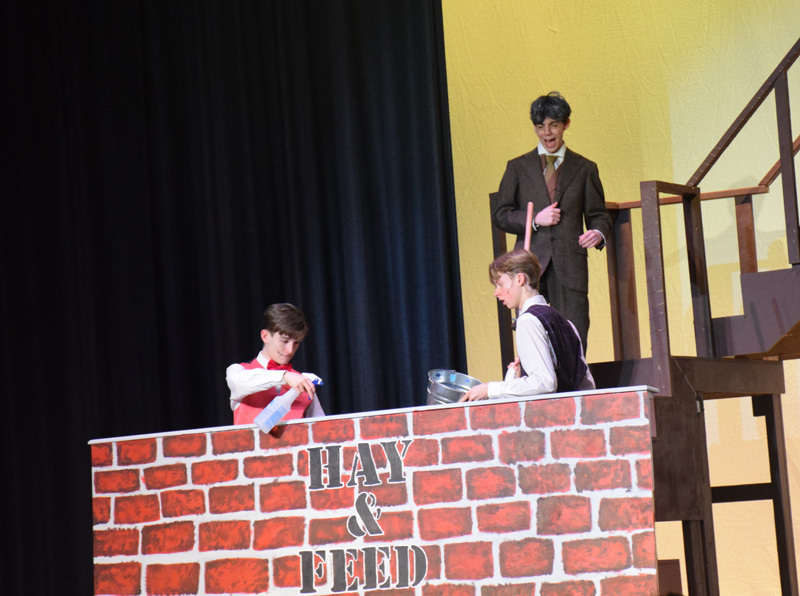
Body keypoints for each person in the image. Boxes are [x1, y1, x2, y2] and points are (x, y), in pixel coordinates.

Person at [491, 91, 611, 350]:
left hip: (570, 267)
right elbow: (501, 214)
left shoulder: (584, 168)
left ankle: (574, 388)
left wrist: (598, 233)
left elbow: (599, 215)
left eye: (553, 125)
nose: (547, 133)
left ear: (565, 124)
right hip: (529, 267)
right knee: (534, 339)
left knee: (573, 338)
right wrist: (535, 219)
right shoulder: (517, 167)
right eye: (540, 126)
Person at [461, 249, 594, 401]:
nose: (496, 293)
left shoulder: (528, 321)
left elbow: (544, 383)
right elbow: (586, 384)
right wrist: (515, 379)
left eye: (500, 284)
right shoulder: (567, 323)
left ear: (520, 279)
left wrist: (490, 389)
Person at [226, 303, 324, 425]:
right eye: (285, 341)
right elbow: (238, 381)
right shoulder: (239, 370)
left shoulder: (303, 383)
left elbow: (321, 431)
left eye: (296, 343)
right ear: (265, 336)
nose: (290, 350)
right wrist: (284, 376)